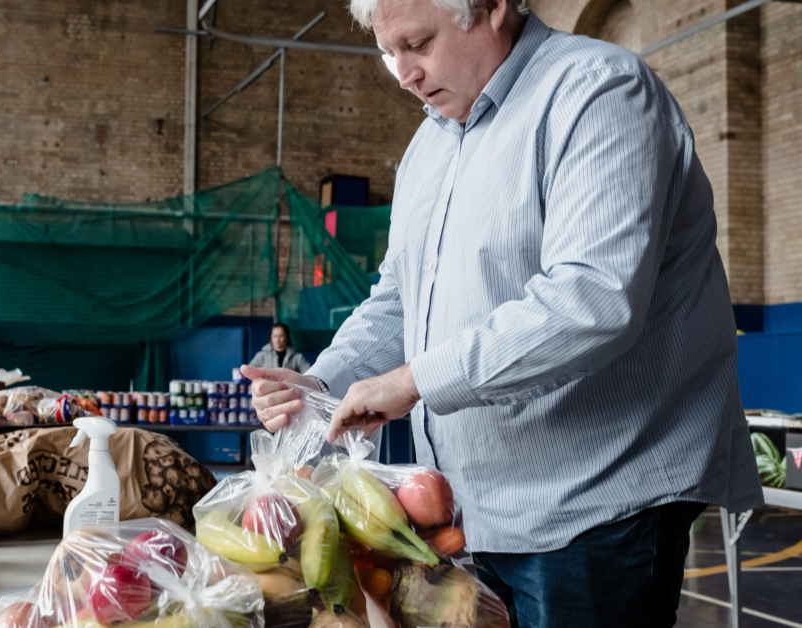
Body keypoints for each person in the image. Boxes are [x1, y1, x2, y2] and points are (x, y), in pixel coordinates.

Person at [243, 1, 764, 626]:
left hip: (595, 509)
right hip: (470, 513)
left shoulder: (597, 93)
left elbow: (592, 299)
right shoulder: (430, 146)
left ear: (489, 7)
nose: (404, 73)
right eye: (390, 53)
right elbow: (400, 298)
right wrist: (325, 385)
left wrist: (415, 381)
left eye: (418, 43)